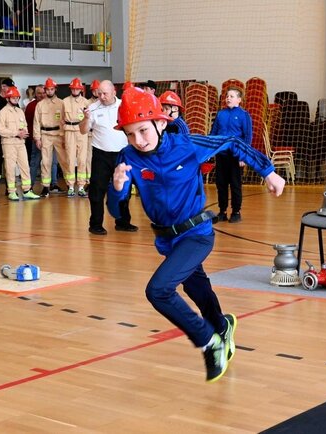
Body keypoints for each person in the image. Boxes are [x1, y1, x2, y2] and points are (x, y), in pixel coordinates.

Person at [108, 87, 285, 382]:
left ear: (160, 122)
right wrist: (116, 189)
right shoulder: (128, 157)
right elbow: (116, 211)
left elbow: (231, 141)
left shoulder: (187, 145)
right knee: (195, 287)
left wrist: (268, 171)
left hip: (196, 234)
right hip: (167, 240)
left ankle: (208, 341)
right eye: (130, 134)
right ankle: (221, 326)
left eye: (143, 130)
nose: (138, 140)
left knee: (158, 291)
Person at [80, 80, 136, 235]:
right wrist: (86, 118)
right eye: (99, 93)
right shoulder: (92, 108)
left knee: (123, 189)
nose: (102, 97)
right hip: (101, 154)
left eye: (105, 93)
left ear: (114, 92)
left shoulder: (123, 106)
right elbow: (83, 130)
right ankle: (96, 224)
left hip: (122, 154)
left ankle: (123, 222)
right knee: (97, 190)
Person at [210, 87, 251, 223]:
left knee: (235, 184)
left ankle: (236, 211)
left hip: (236, 155)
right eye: (227, 96)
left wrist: (243, 156)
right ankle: (222, 211)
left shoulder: (244, 115)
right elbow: (213, 133)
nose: (228, 98)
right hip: (221, 155)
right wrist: (210, 150)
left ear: (239, 100)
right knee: (221, 184)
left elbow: (247, 137)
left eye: (231, 96)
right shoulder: (221, 114)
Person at [0, 86, 41, 201]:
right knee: (10, 168)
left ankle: (27, 190)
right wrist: (16, 133)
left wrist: (24, 132)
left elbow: (25, 125)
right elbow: (0, 130)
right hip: (9, 144)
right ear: (7, 98)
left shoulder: (20, 112)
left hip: (21, 143)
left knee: (25, 166)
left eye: (17, 98)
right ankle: (12, 192)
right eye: (13, 98)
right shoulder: (3, 113)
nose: (16, 99)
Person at [33, 77, 67, 198]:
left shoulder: (62, 103)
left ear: (55, 89)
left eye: (52, 89)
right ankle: (46, 187)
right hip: (45, 135)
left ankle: (70, 185)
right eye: (47, 89)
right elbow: (36, 122)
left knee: (64, 161)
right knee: (46, 162)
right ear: (45, 90)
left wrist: (65, 137)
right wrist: (37, 138)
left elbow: (65, 121)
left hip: (59, 135)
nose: (49, 91)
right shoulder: (40, 105)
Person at [61, 77, 89, 197]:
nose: (75, 90)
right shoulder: (65, 101)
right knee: (70, 159)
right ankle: (71, 186)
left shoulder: (85, 102)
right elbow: (61, 119)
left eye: (77, 89)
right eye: (73, 88)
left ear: (81, 89)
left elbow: (88, 119)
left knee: (82, 159)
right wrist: (62, 135)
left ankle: (81, 186)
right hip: (69, 131)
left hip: (81, 132)